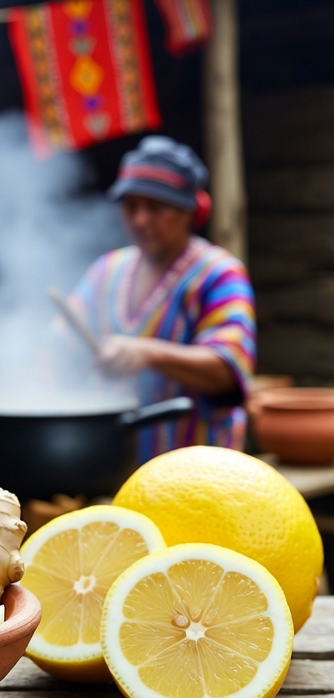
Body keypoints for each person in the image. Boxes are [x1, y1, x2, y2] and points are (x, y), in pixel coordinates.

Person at [62, 135, 256, 463]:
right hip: (113, 464)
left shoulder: (218, 274)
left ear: (190, 211)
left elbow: (228, 367)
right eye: (131, 206)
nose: (140, 220)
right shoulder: (107, 272)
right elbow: (59, 347)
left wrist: (147, 353)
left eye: (156, 207)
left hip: (197, 473)